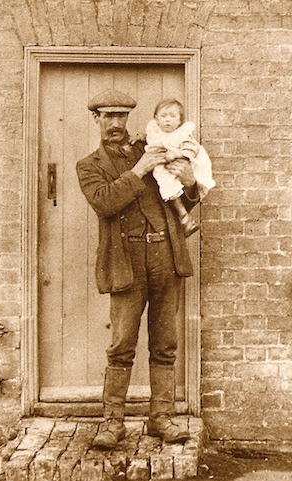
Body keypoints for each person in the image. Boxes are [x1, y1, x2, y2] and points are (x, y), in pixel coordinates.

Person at [76, 89, 200, 450]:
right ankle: (112, 423)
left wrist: (190, 180)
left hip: (165, 256)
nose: (115, 123)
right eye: (107, 116)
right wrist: (138, 170)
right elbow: (105, 202)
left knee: (165, 345)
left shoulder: (150, 148)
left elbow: (179, 192)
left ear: (129, 118)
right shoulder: (90, 165)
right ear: (95, 119)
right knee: (121, 346)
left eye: (121, 116)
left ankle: (160, 418)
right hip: (125, 263)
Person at [145, 98, 215, 237]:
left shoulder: (183, 133)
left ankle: (184, 216)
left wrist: (177, 154)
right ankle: (185, 218)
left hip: (183, 163)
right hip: (165, 166)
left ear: (179, 121)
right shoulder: (155, 132)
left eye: (173, 116)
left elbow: (192, 149)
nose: (167, 120)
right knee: (166, 182)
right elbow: (150, 139)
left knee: (170, 184)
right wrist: (139, 137)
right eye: (163, 116)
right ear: (156, 119)